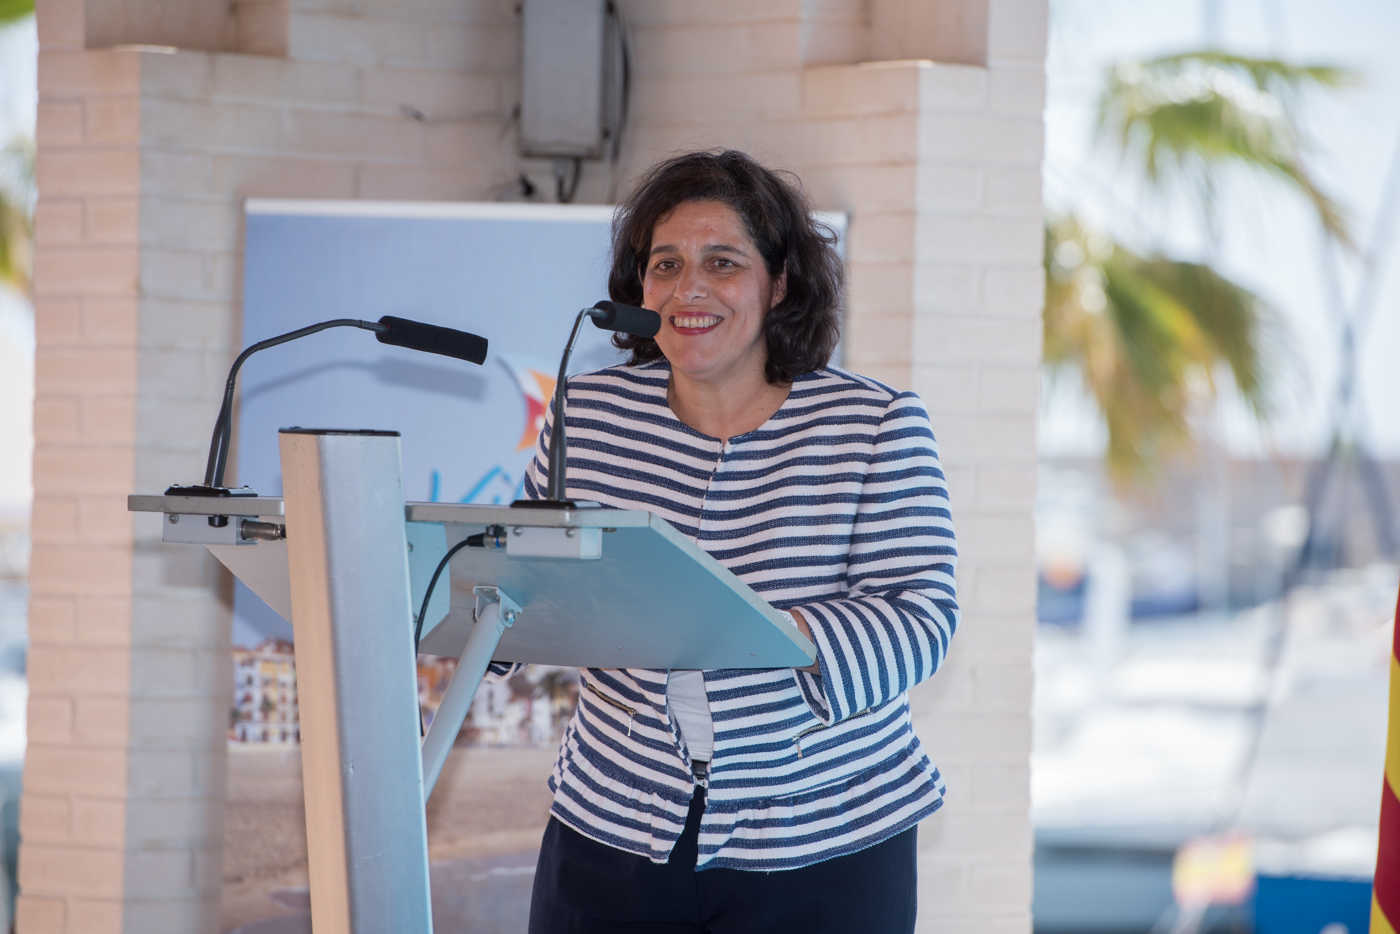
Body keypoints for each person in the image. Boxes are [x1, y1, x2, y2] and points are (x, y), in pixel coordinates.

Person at [521, 150, 959, 934]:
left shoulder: (873, 424)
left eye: (722, 263)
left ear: (779, 282)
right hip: (612, 827)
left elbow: (921, 618)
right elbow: (526, 569)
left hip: (826, 834)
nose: (688, 289)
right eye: (665, 264)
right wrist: (470, 616)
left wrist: (765, 631)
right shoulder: (587, 413)